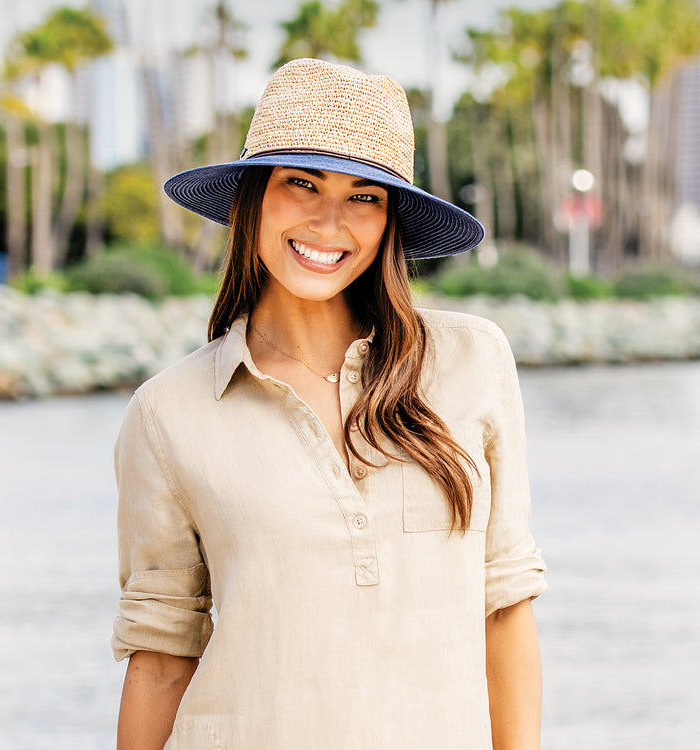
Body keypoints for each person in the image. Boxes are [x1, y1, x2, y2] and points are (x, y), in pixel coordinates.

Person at [113, 58, 546, 750]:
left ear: (390, 220)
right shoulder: (168, 413)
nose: (328, 221)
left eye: (364, 196)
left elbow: (505, 611)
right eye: (301, 183)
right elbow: (162, 657)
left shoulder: (473, 362)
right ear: (253, 197)